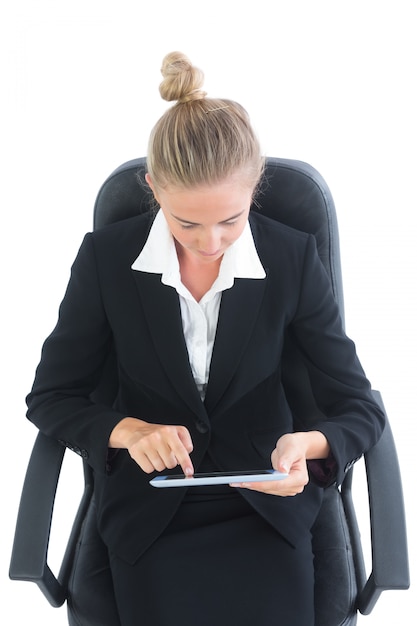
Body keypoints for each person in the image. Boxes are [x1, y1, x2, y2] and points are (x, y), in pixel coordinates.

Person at [26, 51, 385, 626]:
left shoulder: (293, 258)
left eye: (231, 220)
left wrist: (308, 447)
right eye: (186, 222)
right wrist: (129, 430)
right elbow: (51, 397)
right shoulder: (108, 260)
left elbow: (359, 407)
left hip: (266, 507)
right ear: (152, 189)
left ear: (256, 190)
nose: (210, 242)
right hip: (153, 509)